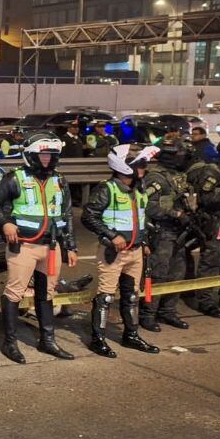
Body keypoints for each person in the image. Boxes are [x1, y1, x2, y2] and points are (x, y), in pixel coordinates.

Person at [0, 134, 78, 364]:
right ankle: (10, 342)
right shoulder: (14, 178)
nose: (47, 160)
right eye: (44, 155)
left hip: (51, 247)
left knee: (46, 294)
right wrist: (6, 223)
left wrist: (71, 246)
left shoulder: (60, 180)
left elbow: (67, 214)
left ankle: (47, 340)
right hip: (24, 247)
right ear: (32, 155)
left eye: (51, 156)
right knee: (14, 293)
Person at [81, 144, 161, 357]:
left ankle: (131, 336)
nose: (144, 167)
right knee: (105, 297)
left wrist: (143, 242)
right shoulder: (107, 189)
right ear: (123, 167)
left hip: (135, 252)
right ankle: (97, 339)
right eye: (140, 164)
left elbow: (141, 219)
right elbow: (88, 216)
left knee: (132, 296)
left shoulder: (139, 189)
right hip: (113, 253)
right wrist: (111, 235)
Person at [140, 138, 194, 331]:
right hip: (162, 232)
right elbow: (147, 205)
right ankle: (147, 314)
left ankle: (168, 311)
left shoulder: (178, 176)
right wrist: (175, 214)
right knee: (157, 274)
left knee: (177, 273)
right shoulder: (156, 177)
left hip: (178, 232)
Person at [187, 138, 220, 316]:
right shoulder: (213, 170)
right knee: (211, 262)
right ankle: (206, 301)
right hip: (217, 221)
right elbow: (205, 199)